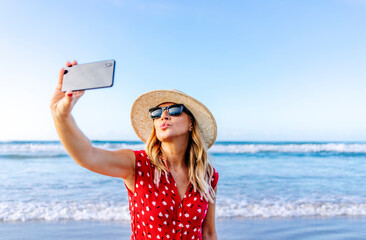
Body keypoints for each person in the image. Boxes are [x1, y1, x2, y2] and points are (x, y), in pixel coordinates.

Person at [50, 60, 219, 240]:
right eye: (156, 113)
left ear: (191, 123)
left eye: (174, 110)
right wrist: (61, 115)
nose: (163, 115)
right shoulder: (137, 164)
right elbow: (88, 155)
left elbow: (208, 233)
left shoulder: (207, 174)